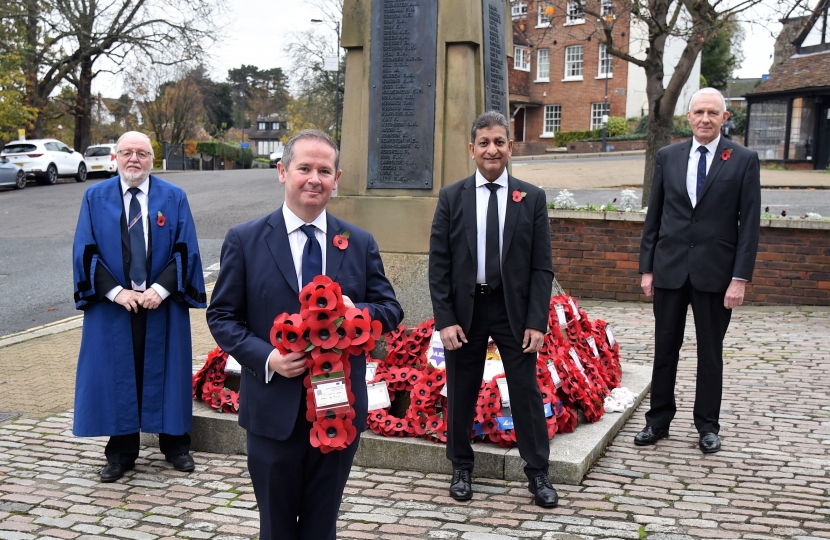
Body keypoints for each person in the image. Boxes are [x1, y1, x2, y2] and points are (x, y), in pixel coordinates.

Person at [206, 129, 403, 540]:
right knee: (276, 527)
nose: (314, 178)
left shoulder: (358, 243)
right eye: (304, 168)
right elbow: (223, 316)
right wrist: (267, 359)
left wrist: (356, 311)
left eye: (324, 170)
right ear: (282, 172)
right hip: (273, 411)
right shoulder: (245, 240)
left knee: (321, 525)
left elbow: (390, 309)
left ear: (337, 178)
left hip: (339, 411)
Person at [428, 111, 558, 508]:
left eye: (499, 142)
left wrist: (537, 320)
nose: (492, 149)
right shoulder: (453, 197)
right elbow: (439, 264)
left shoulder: (530, 198)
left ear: (510, 147)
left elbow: (542, 265)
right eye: (484, 142)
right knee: (462, 389)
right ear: (472, 149)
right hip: (466, 312)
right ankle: (461, 468)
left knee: (525, 391)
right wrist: (445, 320)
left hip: (512, 311)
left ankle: (538, 474)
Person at [72, 131, 206, 483]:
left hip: (159, 303)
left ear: (152, 158)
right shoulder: (95, 197)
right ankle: (120, 454)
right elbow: (85, 249)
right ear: (114, 158)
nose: (134, 159)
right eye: (127, 152)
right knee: (118, 375)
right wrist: (116, 292)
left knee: (168, 372)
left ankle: (176, 447)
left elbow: (185, 247)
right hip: (116, 305)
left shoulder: (173, 196)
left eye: (142, 153)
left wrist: (161, 289)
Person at [636, 88, 761, 454]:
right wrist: (647, 269)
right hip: (670, 270)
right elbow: (654, 216)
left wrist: (740, 278)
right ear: (688, 117)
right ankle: (657, 422)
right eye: (698, 112)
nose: (704, 118)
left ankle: (707, 425)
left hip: (716, 275)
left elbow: (749, 225)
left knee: (710, 353)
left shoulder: (742, 160)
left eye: (712, 112)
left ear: (725, 117)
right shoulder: (668, 156)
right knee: (665, 350)